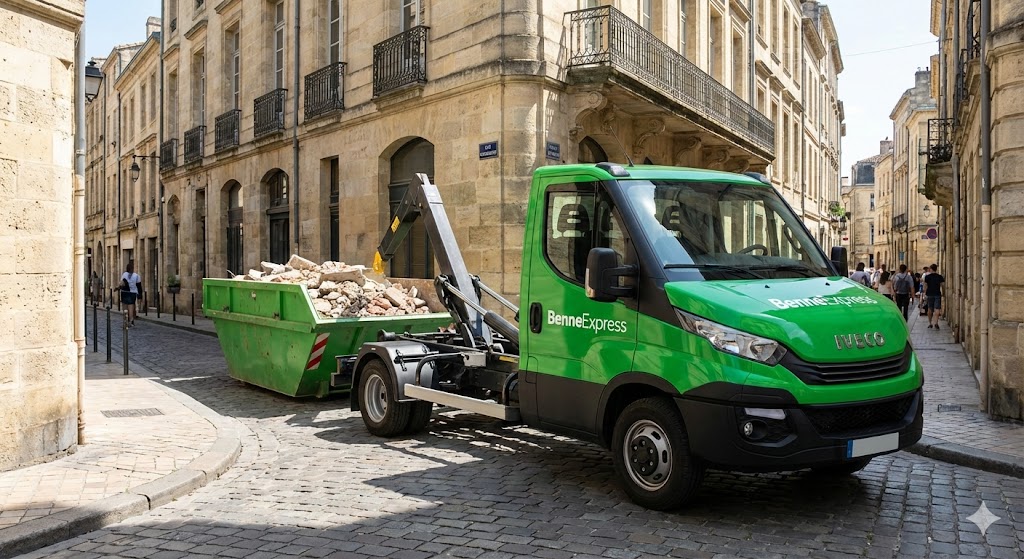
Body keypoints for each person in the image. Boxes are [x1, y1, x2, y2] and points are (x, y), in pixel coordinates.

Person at [120, 261, 142, 327]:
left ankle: (125, 321)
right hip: (132, 292)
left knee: (124, 307)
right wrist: (140, 295)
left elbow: (121, 283)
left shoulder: (124, 274)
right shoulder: (136, 276)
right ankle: (131, 321)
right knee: (131, 307)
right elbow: (139, 286)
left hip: (124, 292)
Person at [924, 263, 945, 329]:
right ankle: (936, 322)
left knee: (930, 308)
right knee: (937, 308)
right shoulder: (939, 277)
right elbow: (942, 285)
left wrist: (925, 293)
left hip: (929, 294)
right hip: (937, 293)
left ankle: (930, 323)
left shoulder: (927, 277)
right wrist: (943, 293)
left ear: (931, 269)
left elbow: (925, 286)